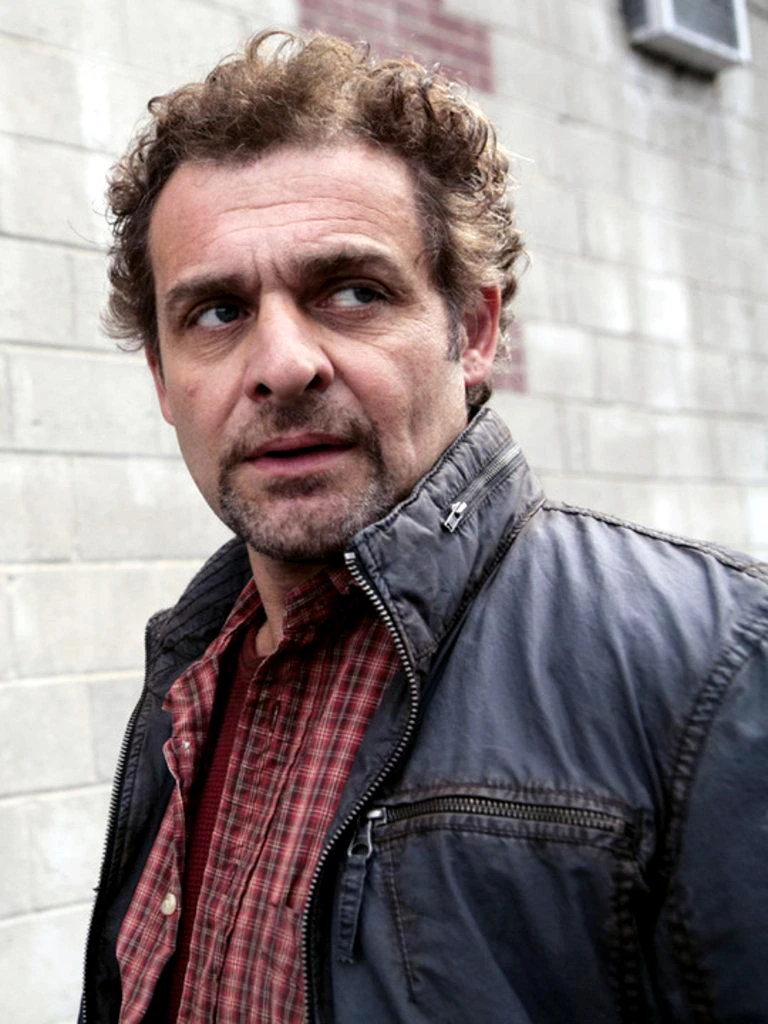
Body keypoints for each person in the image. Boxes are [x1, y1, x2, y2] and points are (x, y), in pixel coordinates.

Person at [80, 29, 768, 1024]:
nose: (282, 364)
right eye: (217, 313)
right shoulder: (190, 673)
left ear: (474, 330)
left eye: (352, 292)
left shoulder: (715, 663)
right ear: (161, 376)